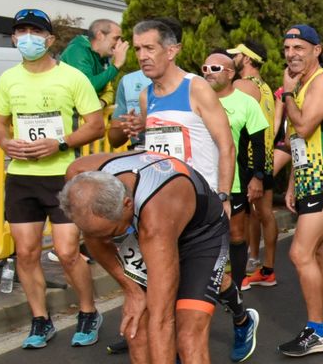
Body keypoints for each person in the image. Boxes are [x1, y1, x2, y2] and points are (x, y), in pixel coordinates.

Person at [62, 151, 235, 364]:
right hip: (142, 229)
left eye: (114, 231)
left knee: (188, 332)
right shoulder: (80, 179)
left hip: (200, 237)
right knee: (135, 328)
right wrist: (130, 290)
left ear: (127, 206)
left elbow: (162, 318)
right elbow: (96, 240)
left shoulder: (154, 216)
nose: (108, 238)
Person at [0, 7, 107, 349]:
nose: (28, 38)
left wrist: (58, 143)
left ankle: (88, 311)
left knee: (68, 252)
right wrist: (5, 141)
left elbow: (95, 124)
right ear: (13, 38)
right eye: (21, 32)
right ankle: (40, 320)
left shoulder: (72, 77)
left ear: (50, 39)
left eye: (35, 32)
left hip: (62, 175)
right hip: (22, 176)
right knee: (25, 253)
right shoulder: (9, 79)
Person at [275, 25, 323, 355]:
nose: (292, 54)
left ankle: (316, 330)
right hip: (312, 178)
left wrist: (288, 92)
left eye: (299, 48)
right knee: (320, 253)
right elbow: (301, 140)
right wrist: (293, 182)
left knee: (299, 252)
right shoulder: (306, 83)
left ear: (316, 49)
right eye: (287, 48)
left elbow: (305, 125)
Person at [200, 49, 265, 362]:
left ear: (230, 73)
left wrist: (258, 179)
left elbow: (258, 146)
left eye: (215, 67)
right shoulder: (195, 100)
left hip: (235, 182)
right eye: (204, 67)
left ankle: (235, 288)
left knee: (236, 236)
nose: (209, 71)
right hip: (199, 183)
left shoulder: (245, 103)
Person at [132, 19, 235, 196]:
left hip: (200, 197)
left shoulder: (196, 88)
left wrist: (223, 196)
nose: (142, 57)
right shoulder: (145, 96)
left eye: (149, 48)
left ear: (171, 51)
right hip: (161, 195)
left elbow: (227, 146)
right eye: (137, 49)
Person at [230, 41, 286, 290]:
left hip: (249, 158)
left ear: (248, 59)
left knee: (240, 216)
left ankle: (240, 272)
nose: (233, 59)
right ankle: (267, 268)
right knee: (263, 214)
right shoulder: (264, 87)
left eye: (237, 55)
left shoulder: (242, 85)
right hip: (265, 156)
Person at [60, 19, 130, 96]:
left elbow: (107, 90)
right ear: (100, 35)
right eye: (116, 38)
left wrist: (103, 101)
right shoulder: (77, 51)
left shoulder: (102, 57)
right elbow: (87, 87)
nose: (120, 43)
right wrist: (116, 65)